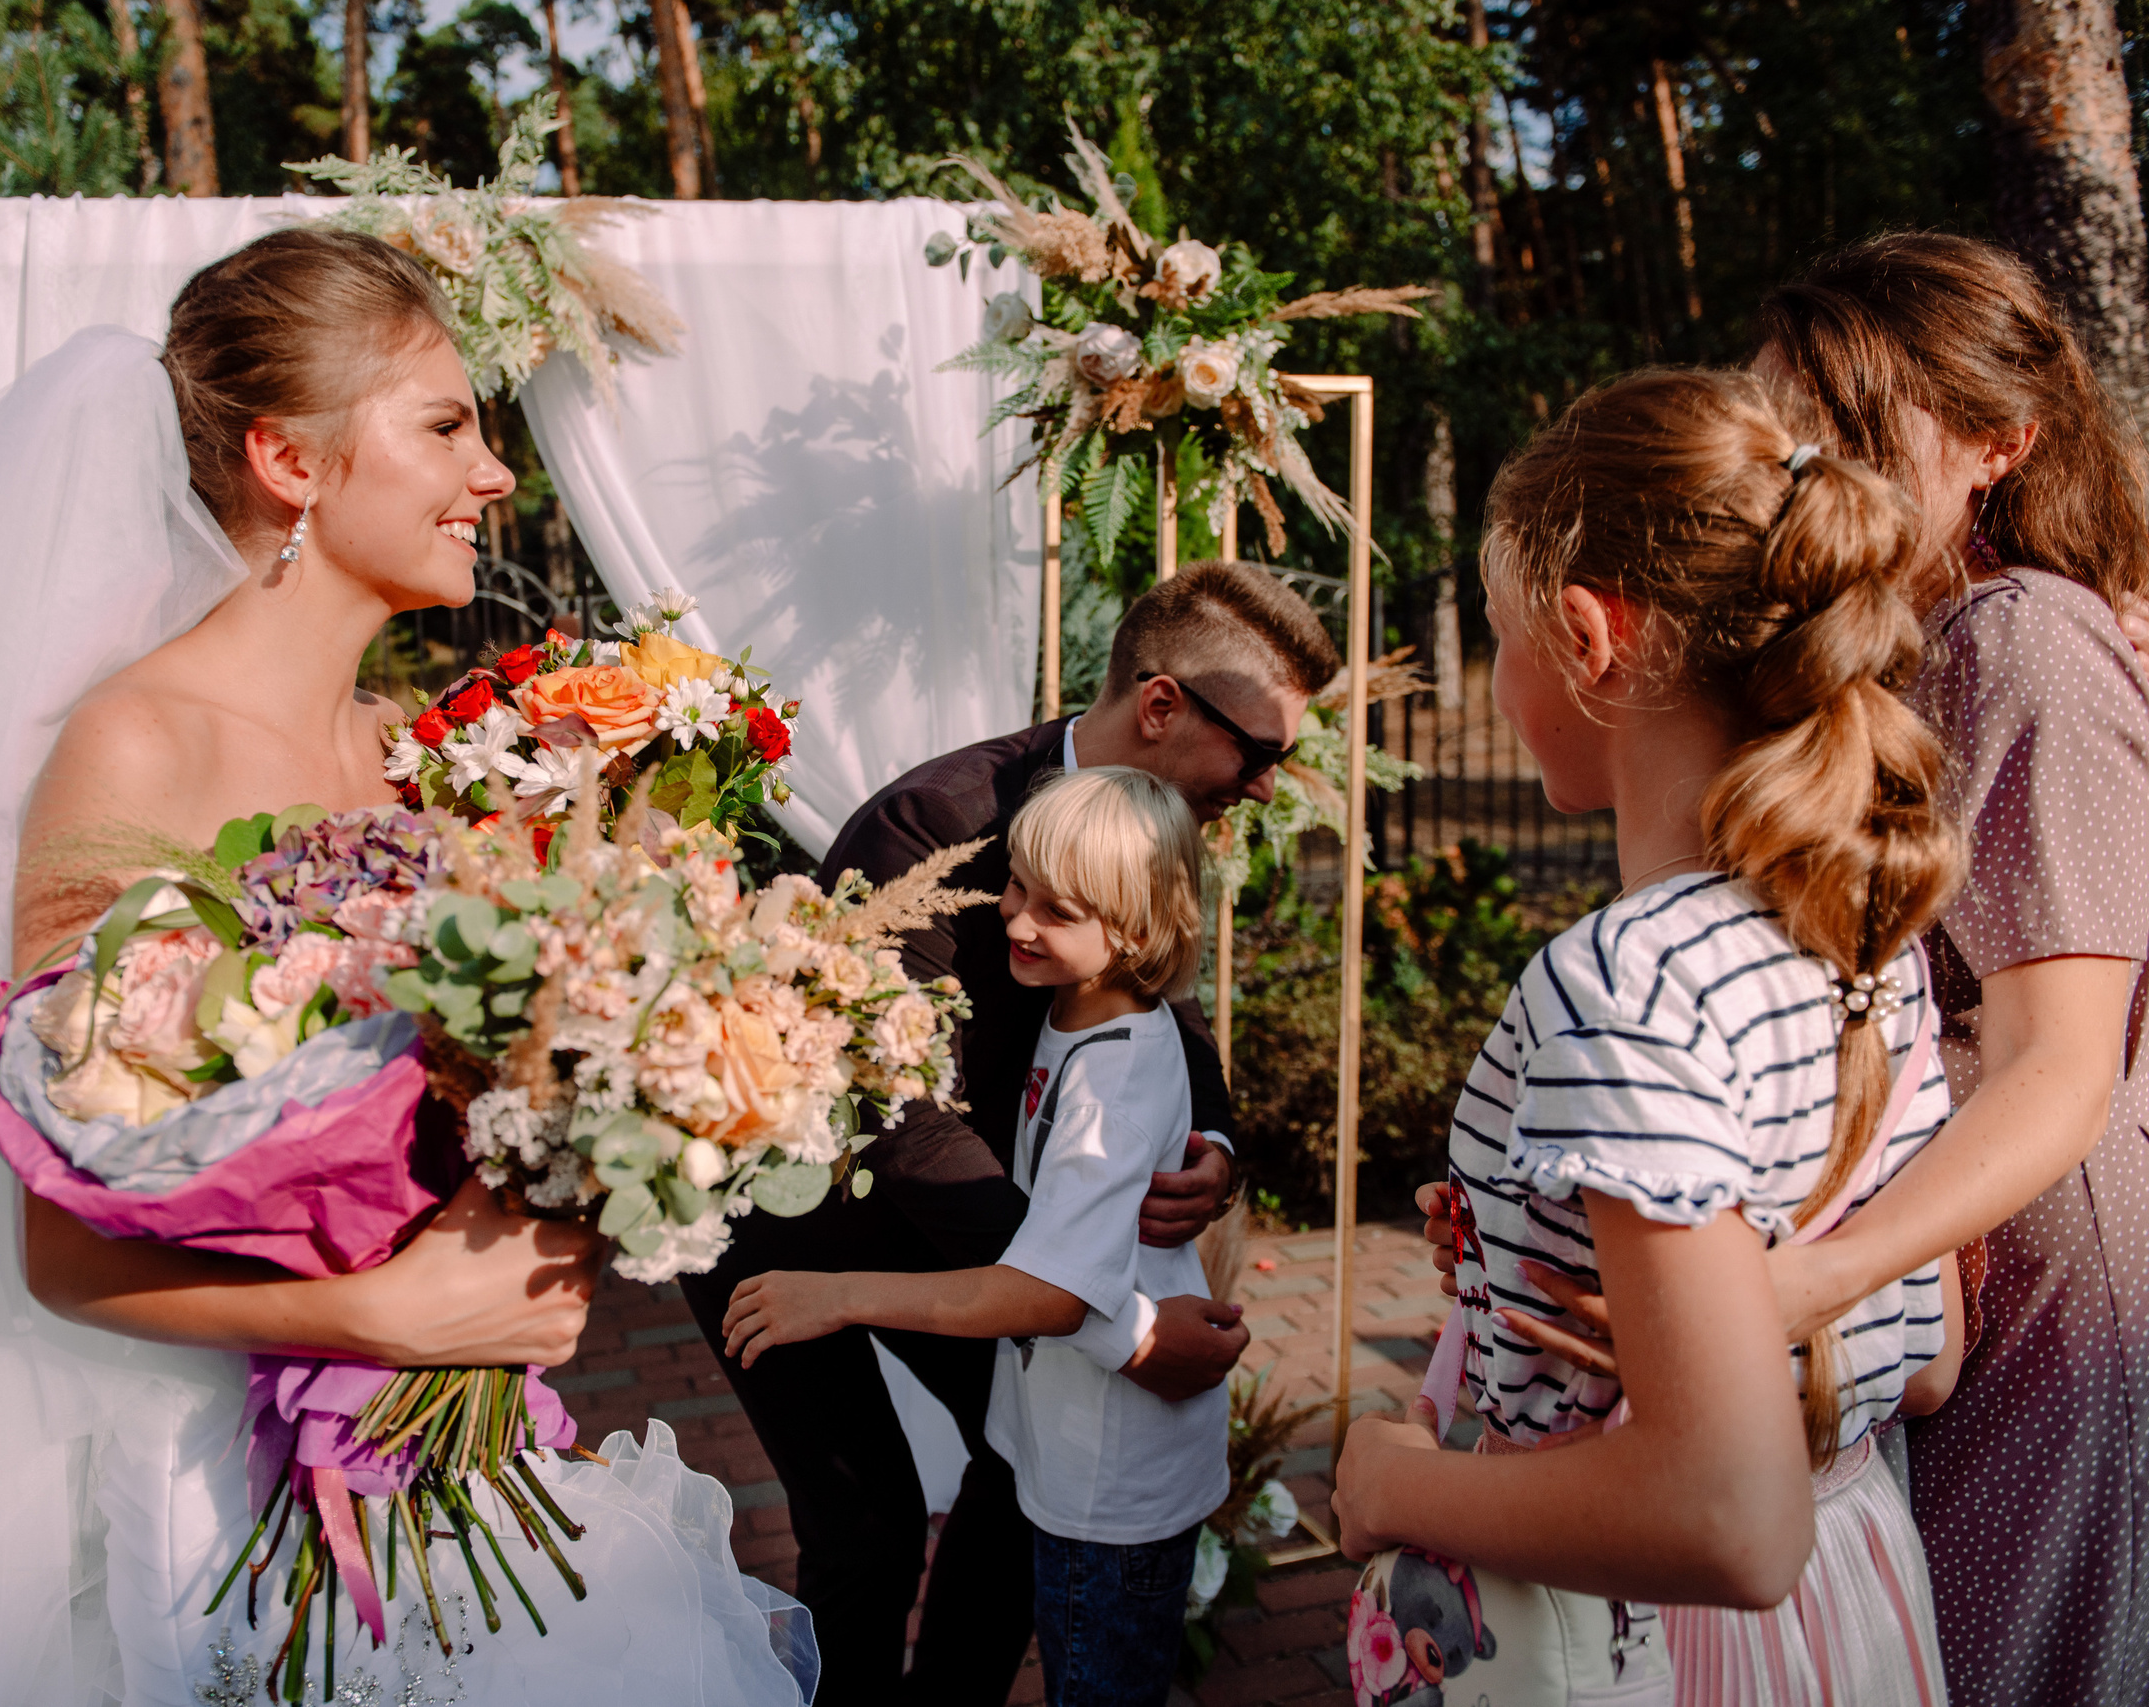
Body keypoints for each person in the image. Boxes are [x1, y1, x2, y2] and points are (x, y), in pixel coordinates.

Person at [0, 229, 812, 1705]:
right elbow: (63, 1249)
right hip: (217, 1492)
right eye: (446, 425)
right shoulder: (142, 744)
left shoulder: (407, 761)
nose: (496, 474)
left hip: (443, 1446)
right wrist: (384, 1316)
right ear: (291, 460)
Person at [1429, 234, 2149, 1707]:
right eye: (1796, 427)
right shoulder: (1913, 653)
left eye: (1854, 429)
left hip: (2020, 1254)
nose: (1817, 469)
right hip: (1910, 1249)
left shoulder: (2022, 642)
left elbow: (2062, 1063)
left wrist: (1796, 1280)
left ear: (2002, 443)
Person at [1335, 369, 1964, 1703]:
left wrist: (1402, 1480)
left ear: (1585, 634)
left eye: (1501, 636)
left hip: (1656, 1648)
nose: (1498, 683)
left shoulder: (1625, 982)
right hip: (1853, 1592)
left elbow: (1728, 1520)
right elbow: (1927, 1354)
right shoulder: (1863, 927)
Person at [676, 561, 1337, 1705]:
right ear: (1165, 705)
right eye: (1261, 751)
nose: (1269, 786)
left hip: (982, 1224)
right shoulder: (934, 827)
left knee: (1019, 1458)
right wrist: (1103, 1310)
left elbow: (1156, 978)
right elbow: (899, 1108)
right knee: (868, 1530)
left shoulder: (1143, 823)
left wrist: (1216, 1141)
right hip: (793, 1214)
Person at [726, 767, 1228, 1707]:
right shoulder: (1072, 1009)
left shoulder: (1114, 1083)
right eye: (1017, 888)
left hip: (1109, 1478)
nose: (1017, 920)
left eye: (1056, 908)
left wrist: (836, 1295)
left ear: (1137, 929)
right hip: (1071, 1444)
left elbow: (1050, 1291)